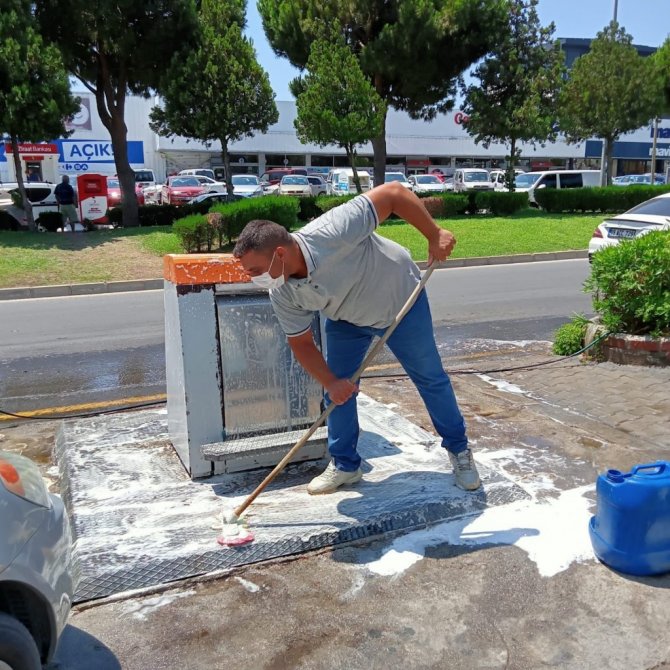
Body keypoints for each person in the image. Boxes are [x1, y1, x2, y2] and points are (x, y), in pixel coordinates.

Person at [233, 182, 480, 495]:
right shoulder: (281, 290)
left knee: (430, 379)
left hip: (401, 303)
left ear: (279, 253)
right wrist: (332, 382)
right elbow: (301, 343)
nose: (253, 278)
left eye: (255, 270)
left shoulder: (332, 230)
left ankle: (459, 451)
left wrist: (434, 234)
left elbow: (393, 194)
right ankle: (345, 465)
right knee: (336, 391)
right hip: (346, 319)